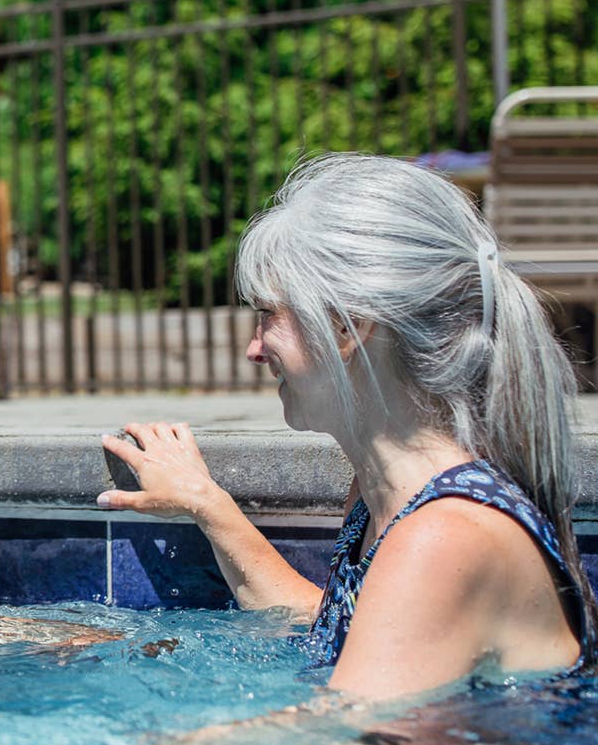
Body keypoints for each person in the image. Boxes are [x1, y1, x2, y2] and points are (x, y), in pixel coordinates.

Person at [98, 153, 598, 701]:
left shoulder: (445, 535)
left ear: (347, 326)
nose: (254, 348)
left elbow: (341, 743)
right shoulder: (385, 495)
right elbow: (341, 625)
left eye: (268, 314)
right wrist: (207, 505)